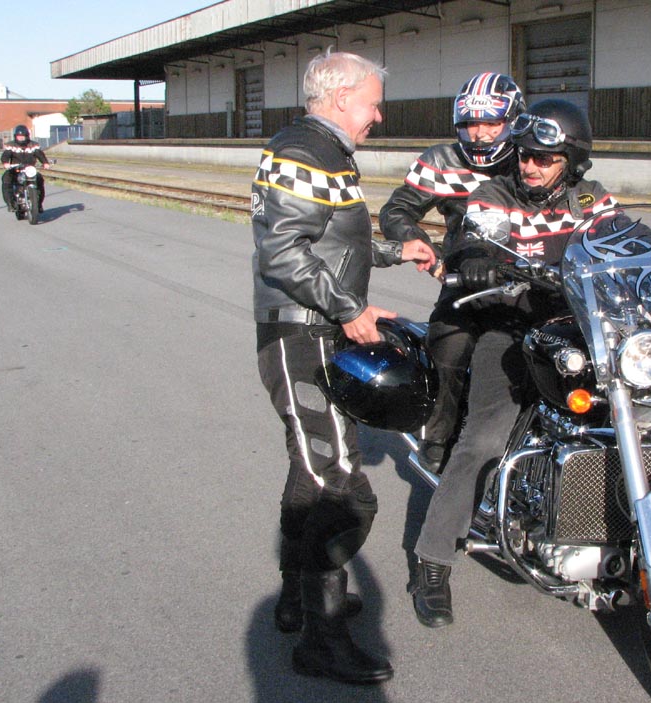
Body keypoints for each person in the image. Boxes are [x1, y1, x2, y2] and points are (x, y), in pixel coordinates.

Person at [251, 49, 436, 684]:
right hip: (301, 335)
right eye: (372, 103)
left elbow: (333, 240)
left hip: (315, 325)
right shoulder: (305, 151)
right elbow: (283, 252)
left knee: (309, 472)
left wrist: (391, 252)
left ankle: (297, 601)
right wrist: (349, 307)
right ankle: (321, 639)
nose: (378, 116)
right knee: (343, 488)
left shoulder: (323, 150)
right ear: (339, 98)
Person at [409, 99, 619, 627]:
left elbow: (625, 238)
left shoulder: (591, 199)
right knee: (484, 439)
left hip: (582, 332)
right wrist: (479, 260)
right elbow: (475, 236)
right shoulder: (495, 194)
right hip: (511, 329)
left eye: (544, 158)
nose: (530, 166)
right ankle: (432, 562)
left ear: (571, 161)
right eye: (525, 155)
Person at [379, 72, 525, 473]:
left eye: (491, 122)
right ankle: (437, 437)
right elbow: (396, 210)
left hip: (533, 280)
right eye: (470, 123)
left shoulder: (531, 157)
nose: (479, 133)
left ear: (514, 120)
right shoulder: (441, 160)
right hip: (466, 280)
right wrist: (422, 247)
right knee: (448, 345)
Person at [1, 125, 51, 212]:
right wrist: (5, 163)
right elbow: (5, 155)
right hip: (15, 169)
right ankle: (10, 204)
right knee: (6, 179)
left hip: (29, 169)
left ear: (27, 136)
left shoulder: (34, 145)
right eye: (19, 136)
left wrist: (45, 163)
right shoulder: (11, 145)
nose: (21, 138)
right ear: (15, 136)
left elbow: (40, 154)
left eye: (22, 136)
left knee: (39, 179)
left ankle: (39, 204)